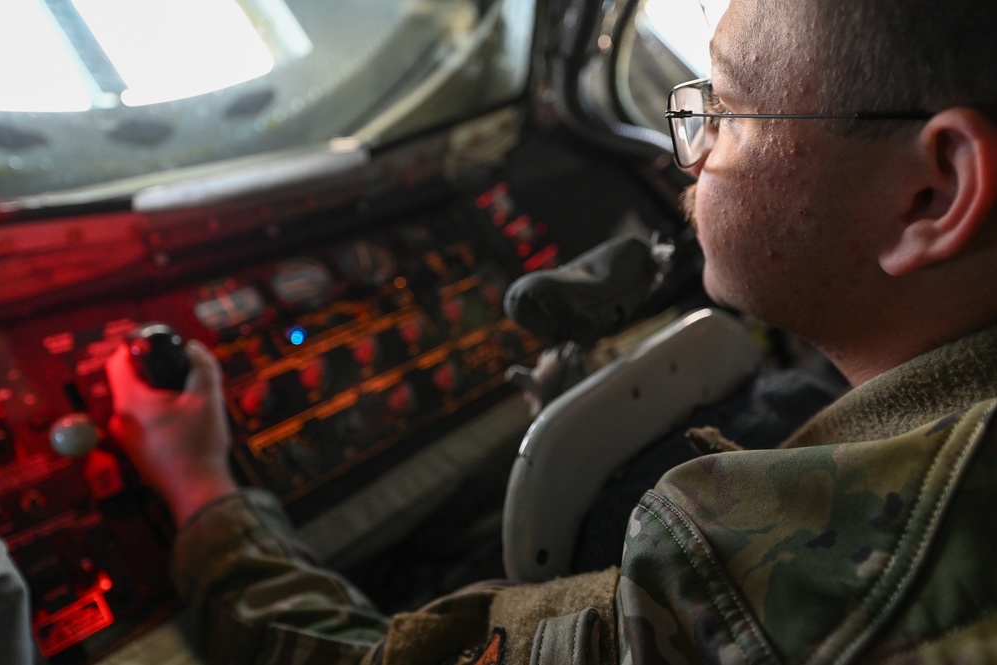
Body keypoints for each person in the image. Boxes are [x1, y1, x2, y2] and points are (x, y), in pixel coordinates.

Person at [106, 0, 997, 662]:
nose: (684, 149)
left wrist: (200, 491)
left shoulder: (766, 586)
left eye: (720, 110)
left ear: (930, 193)